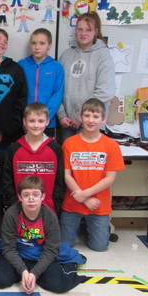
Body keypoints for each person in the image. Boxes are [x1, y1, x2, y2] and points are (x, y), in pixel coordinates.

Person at [0, 175, 85, 294]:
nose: (31, 199)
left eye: (35, 195)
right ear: (20, 197)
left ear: (42, 196)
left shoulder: (49, 216)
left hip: (40, 255)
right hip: (19, 253)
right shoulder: (11, 214)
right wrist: (23, 271)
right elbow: (8, 248)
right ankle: (24, 274)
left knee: (58, 284)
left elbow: (51, 250)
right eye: (26, 195)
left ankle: (37, 274)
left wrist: (35, 273)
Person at [60, 98, 124, 252]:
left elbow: (110, 179)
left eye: (95, 116)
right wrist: (83, 198)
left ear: (103, 119)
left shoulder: (111, 146)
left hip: (98, 204)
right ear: (81, 117)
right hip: (73, 202)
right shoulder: (69, 143)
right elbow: (67, 175)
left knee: (99, 247)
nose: (91, 120)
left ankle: (93, 230)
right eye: (87, 116)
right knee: (64, 245)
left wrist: (86, 195)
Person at [57, 12, 115, 142]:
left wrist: (81, 116)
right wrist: (61, 114)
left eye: (88, 30)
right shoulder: (66, 55)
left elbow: (105, 92)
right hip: (67, 122)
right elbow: (56, 87)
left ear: (96, 31)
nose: (83, 33)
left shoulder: (103, 56)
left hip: (90, 122)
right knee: (66, 154)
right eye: (80, 29)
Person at [2, 102, 65, 214]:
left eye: (40, 121)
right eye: (31, 121)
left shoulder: (55, 149)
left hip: (48, 209)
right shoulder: (14, 149)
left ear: (47, 122)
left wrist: (54, 204)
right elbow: (7, 179)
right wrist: (13, 203)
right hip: (19, 209)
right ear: (24, 121)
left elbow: (60, 181)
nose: (36, 125)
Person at [18, 28, 65, 138]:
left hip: (47, 123)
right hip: (26, 122)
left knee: (45, 148)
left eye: (42, 43)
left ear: (49, 45)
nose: (37, 47)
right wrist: (25, 117)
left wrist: (44, 118)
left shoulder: (56, 67)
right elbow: (17, 94)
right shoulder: (21, 65)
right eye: (34, 43)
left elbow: (57, 95)